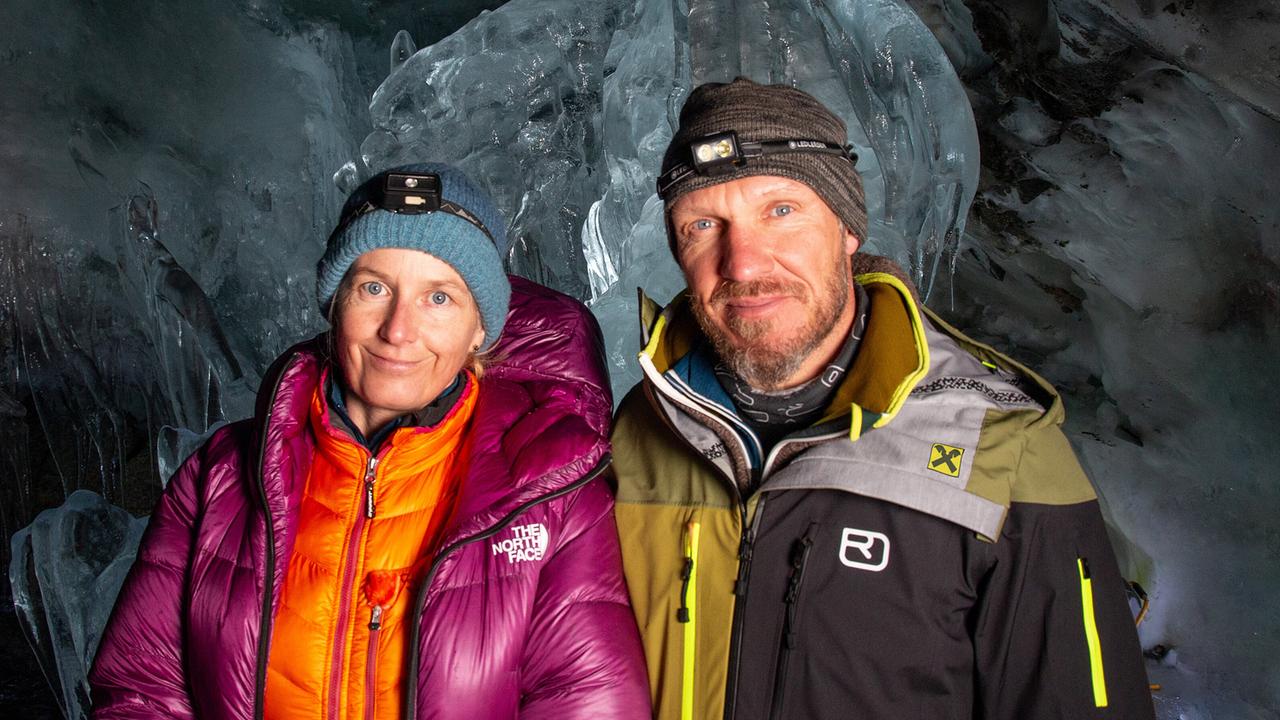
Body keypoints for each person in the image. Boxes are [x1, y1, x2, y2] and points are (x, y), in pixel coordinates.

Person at [610, 78, 1155, 719]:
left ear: (847, 229)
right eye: (704, 224)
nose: (745, 263)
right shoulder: (637, 432)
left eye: (781, 210)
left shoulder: (1004, 452)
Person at [89, 163, 650, 719]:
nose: (398, 330)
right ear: (335, 303)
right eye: (374, 287)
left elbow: (589, 705)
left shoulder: (551, 497)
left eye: (440, 298)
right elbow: (141, 690)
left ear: (481, 328)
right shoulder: (221, 478)